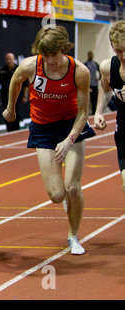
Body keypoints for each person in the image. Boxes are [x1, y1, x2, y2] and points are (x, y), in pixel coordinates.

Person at [3, 25, 95, 255]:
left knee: (73, 187)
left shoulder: (79, 71)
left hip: (71, 125)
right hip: (43, 128)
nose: (50, 60)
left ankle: (73, 235)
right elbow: (16, 80)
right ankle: (64, 200)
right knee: (56, 195)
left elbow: (84, 113)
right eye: (46, 55)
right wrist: (10, 109)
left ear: (64, 50)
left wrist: (69, 139)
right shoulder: (31, 66)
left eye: (54, 55)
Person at [94, 20, 125, 193]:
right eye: (119, 51)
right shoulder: (107, 67)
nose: (124, 56)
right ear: (112, 47)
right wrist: (99, 111)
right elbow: (105, 88)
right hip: (124, 132)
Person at [0, 52, 29, 131]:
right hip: (5, 96)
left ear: (14, 59)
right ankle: (9, 129)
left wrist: (25, 96)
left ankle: (16, 129)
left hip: (17, 96)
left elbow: (26, 84)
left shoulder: (19, 70)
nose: (8, 61)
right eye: (6, 59)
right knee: (7, 113)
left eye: (10, 59)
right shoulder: (1, 71)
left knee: (16, 112)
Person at [85, 51, 101, 115]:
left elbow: (101, 72)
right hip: (88, 85)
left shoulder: (95, 64)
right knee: (88, 100)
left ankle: (94, 112)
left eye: (91, 55)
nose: (90, 56)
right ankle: (87, 112)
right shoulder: (86, 64)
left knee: (95, 100)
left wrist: (99, 78)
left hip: (95, 85)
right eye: (90, 55)